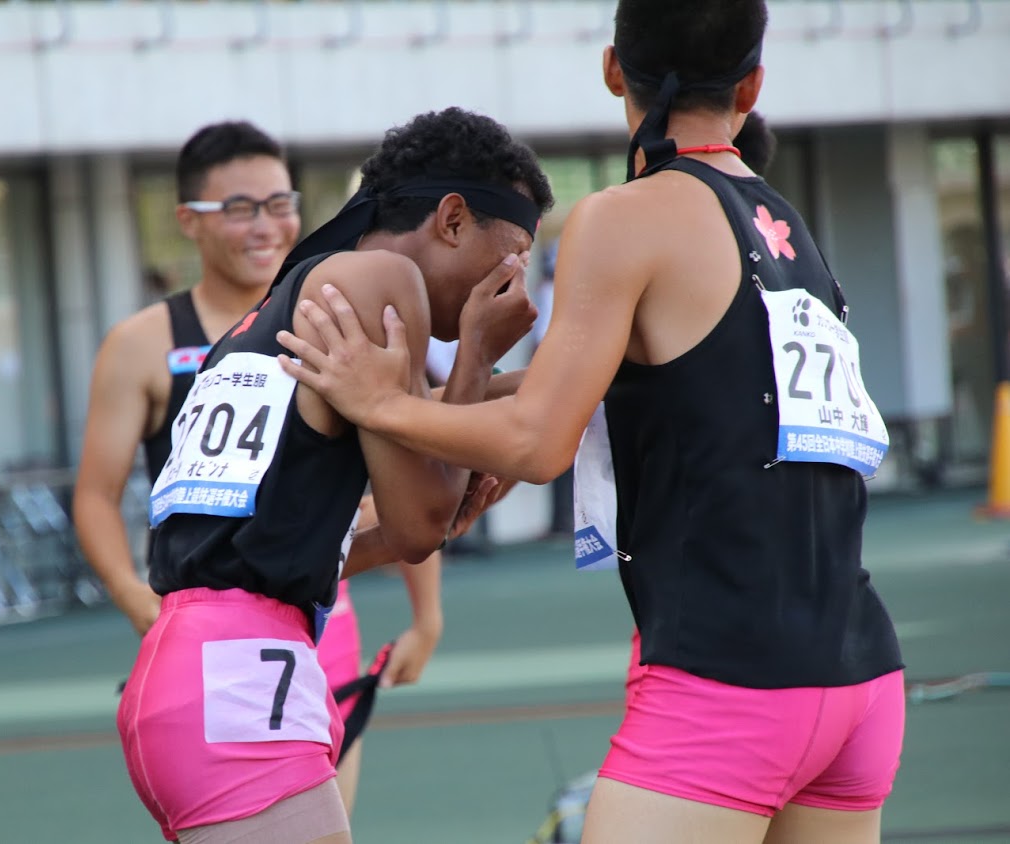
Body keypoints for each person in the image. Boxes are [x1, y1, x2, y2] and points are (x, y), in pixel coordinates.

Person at [274, 3, 906, 842]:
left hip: (728, 676)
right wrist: (467, 386)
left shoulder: (628, 214)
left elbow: (540, 442)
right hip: (860, 675)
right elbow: (653, 387)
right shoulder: (789, 229)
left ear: (614, 69)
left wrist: (378, 402)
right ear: (752, 85)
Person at [116, 107, 553, 843]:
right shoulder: (383, 278)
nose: (515, 283)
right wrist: (477, 349)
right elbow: (418, 525)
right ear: (452, 219)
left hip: (194, 670)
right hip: (241, 683)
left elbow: (301, 537)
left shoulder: (285, 301)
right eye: (509, 255)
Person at [71, 120, 450, 821]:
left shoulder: (334, 312)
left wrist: (427, 616)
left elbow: (400, 466)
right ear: (188, 220)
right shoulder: (142, 344)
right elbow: (94, 494)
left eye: (281, 203)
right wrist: (134, 598)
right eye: (240, 208)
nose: (266, 225)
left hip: (323, 619)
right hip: (219, 630)